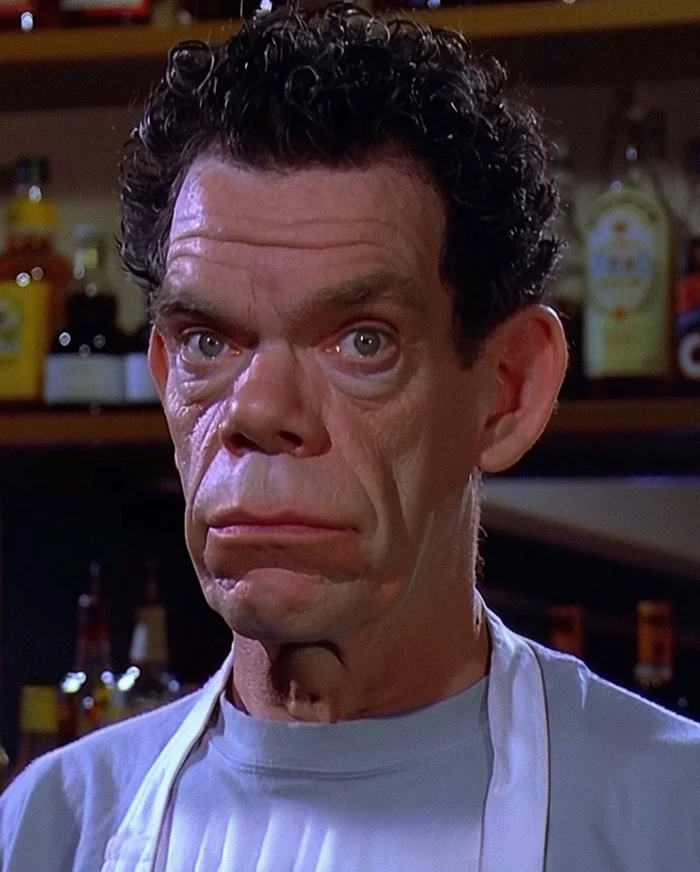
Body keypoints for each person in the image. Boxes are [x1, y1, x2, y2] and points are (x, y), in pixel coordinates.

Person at [2, 5, 699, 870]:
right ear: (164, 375)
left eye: (363, 341)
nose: (259, 410)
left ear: (509, 392)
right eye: (208, 343)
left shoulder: (671, 818)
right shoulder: (53, 828)